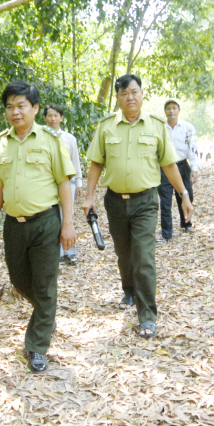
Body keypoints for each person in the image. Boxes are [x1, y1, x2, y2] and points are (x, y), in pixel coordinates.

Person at [82, 74, 193, 339]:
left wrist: (184, 194)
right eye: (124, 93)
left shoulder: (156, 126)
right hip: (115, 201)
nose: (130, 97)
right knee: (124, 253)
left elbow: (169, 164)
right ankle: (128, 290)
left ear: (142, 94)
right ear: (118, 98)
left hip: (145, 201)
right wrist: (89, 197)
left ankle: (147, 316)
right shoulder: (106, 127)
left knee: (144, 257)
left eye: (134, 92)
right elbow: (96, 162)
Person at [0, 81, 76, 373]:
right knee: (20, 281)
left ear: (35, 108)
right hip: (14, 226)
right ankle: (47, 315)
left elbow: (64, 184)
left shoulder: (51, 141)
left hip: (46, 223)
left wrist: (68, 224)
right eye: (10, 106)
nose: (15, 112)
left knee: (46, 285)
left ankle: (37, 346)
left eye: (21, 105)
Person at [43, 105, 83, 265]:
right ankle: (57, 253)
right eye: (50, 116)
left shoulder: (69, 138)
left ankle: (71, 252)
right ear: (45, 118)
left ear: (61, 118)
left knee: (67, 215)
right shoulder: (41, 138)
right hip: (49, 183)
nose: (53, 119)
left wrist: (79, 183)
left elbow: (75, 162)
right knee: (53, 217)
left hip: (69, 181)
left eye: (56, 115)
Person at [158, 98, 199, 244]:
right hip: (164, 166)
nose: (171, 111)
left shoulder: (188, 127)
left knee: (185, 195)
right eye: (168, 108)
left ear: (179, 110)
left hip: (182, 165)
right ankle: (166, 233)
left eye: (174, 108)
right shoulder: (160, 127)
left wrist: (194, 168)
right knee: (165, 199)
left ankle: (186, 223)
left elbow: (193, 147)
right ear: (165, 111)